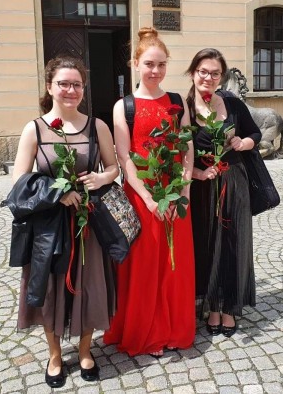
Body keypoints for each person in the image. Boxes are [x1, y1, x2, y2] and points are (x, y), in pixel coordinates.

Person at [11, 56, 119, 387]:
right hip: (48, 228)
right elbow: (19, 179)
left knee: (89, 287)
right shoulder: (36, 129)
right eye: (63, 83)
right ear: (50, 87)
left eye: (76, 84)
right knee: (50, 290)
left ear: (83, 89)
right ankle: (55, 354)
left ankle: (86, 350)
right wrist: (57, 194)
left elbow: (114, 168)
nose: (70, 90)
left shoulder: (96, 126)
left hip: (88, 225)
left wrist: (100, 181)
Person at [103, 27, 196, 357]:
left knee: (174, 266)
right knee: (145, 267)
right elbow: (124, 156)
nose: (155, 71)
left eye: (161, 64)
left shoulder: (176, 102)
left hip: (174, 196)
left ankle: (174, 328)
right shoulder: (123, 106)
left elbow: (187, 149)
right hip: (142, 196)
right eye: (149, 64)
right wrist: (147, 198)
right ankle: (149, 329)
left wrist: (180, 190)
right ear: (135, 64)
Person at [185, 48, 262, 337]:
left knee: (233, 243)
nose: (208, 77)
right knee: (206, 244)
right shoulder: (184, 108)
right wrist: (197, 174)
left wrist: (245, 142)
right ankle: (211, 306)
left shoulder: (232, 104)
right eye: (203, 71)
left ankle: (228, 308)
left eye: (215, 73)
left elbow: (255, 133)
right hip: (203, 185)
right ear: (193, 73)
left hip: (234, 182)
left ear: (221, 77)